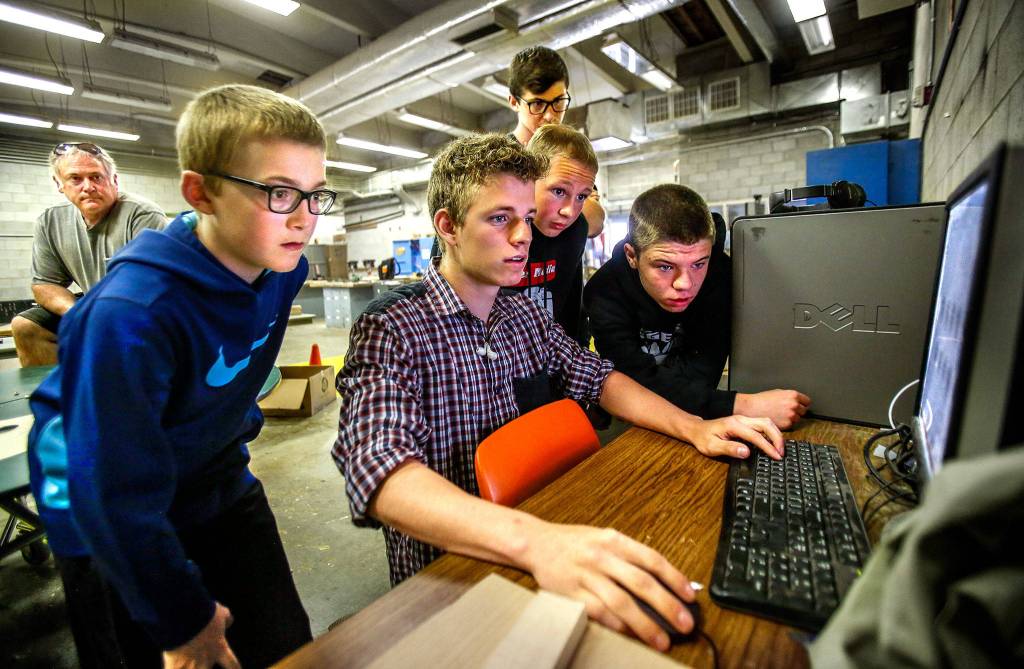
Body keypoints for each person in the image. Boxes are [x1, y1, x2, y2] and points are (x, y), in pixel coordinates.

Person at [332, 133, 785, 652]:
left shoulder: (522, 313)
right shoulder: (392, 327)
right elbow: (380, 472)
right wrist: (537, 542)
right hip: (451, 579)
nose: (523, 236)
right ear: (449, 226)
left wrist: (695, 427)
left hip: (545, 555)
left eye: (527, 218)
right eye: (500, 218)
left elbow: (599, 377)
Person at [26, 84, 328, 669]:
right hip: (100, 504)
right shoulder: (129, 314)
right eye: (279, 192)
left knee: (284, 642)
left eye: (316, 195)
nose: (304, 219)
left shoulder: (284, 269)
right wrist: (180, 618)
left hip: (210, 471)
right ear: (200, 193)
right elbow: (107, 485)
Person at [584, 184, 810, 428]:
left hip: (698, 414)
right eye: (665, 266)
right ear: (632, 256)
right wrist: (742, 405)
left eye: (698, 264)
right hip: (627, 420)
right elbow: (631, 384)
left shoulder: (720, 274)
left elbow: (703, 372)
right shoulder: (604, 291)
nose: (685, 284)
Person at [11, 141, 166, 367]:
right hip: (96, 307)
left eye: (96, 177)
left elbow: (150, 286)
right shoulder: (50, 221)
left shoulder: (142, 215)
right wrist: (78, 312)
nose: (88, 187)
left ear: (114, 180)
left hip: (147, 307)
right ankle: (64, 389)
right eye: (76, 178)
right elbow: (44, 284)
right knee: (26, 327)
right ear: (59, 184)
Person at [509, 123, 597, 343]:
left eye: (581, 197)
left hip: (553, 352)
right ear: (529, 178)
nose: (569, 211)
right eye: (559, 191)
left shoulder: (576, 229)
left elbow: (571, 310)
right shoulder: (502, 229)